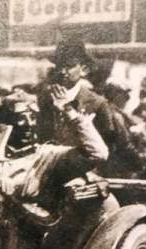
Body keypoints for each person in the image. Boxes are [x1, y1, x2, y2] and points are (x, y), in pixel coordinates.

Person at [37, 38, 130, 177]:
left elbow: (112, 145)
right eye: (59, 66)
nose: (63, 72)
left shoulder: (97, 103)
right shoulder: (46, 98)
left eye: (69, 66)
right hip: (49, 173)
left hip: (85, 175)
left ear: (84, 70)